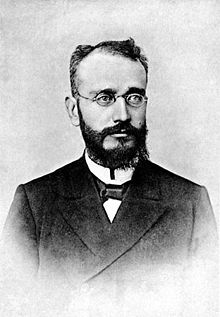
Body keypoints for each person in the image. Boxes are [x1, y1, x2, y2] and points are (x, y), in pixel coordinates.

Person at [1, 38, 218, 316]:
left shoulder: (190, 202)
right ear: (73, 110)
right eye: (104, 98)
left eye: (134, 97)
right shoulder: (34, 202)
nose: (123, 114)